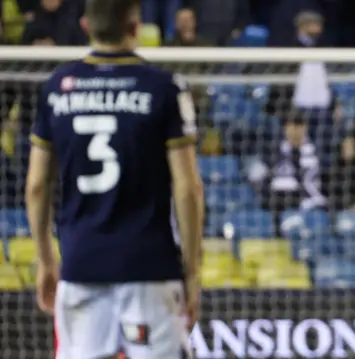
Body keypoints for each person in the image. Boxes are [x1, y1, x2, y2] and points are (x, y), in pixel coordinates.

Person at [25, 0, 204, 358]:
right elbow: (188, 188)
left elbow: (36, 185)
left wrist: (46, 260)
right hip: (148, 265)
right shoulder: (164, 88)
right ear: (136, 27)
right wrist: (194, 267)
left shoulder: (58, 87)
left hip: (81, 263)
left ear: (86, 25)